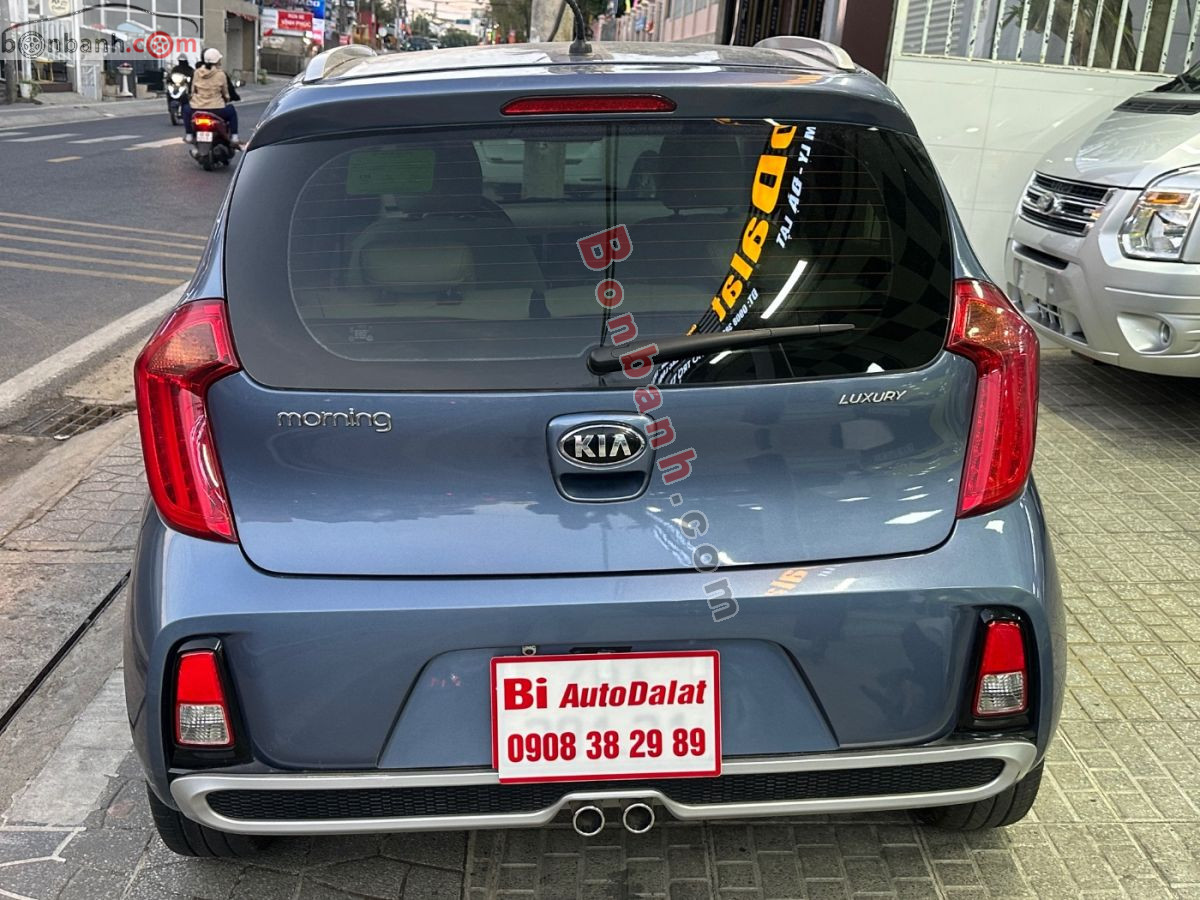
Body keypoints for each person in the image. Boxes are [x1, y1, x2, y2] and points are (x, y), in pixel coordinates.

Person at [182, 48, 241, 146]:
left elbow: (192, 91)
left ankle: (189, 134)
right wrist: (227, 99)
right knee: (231, 110)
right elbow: (226, 93)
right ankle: (235, 137)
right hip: (217, 109)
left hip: (197, 109)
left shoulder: (196, 72)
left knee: (185, 109)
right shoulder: (221, 74)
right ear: (217, 61)